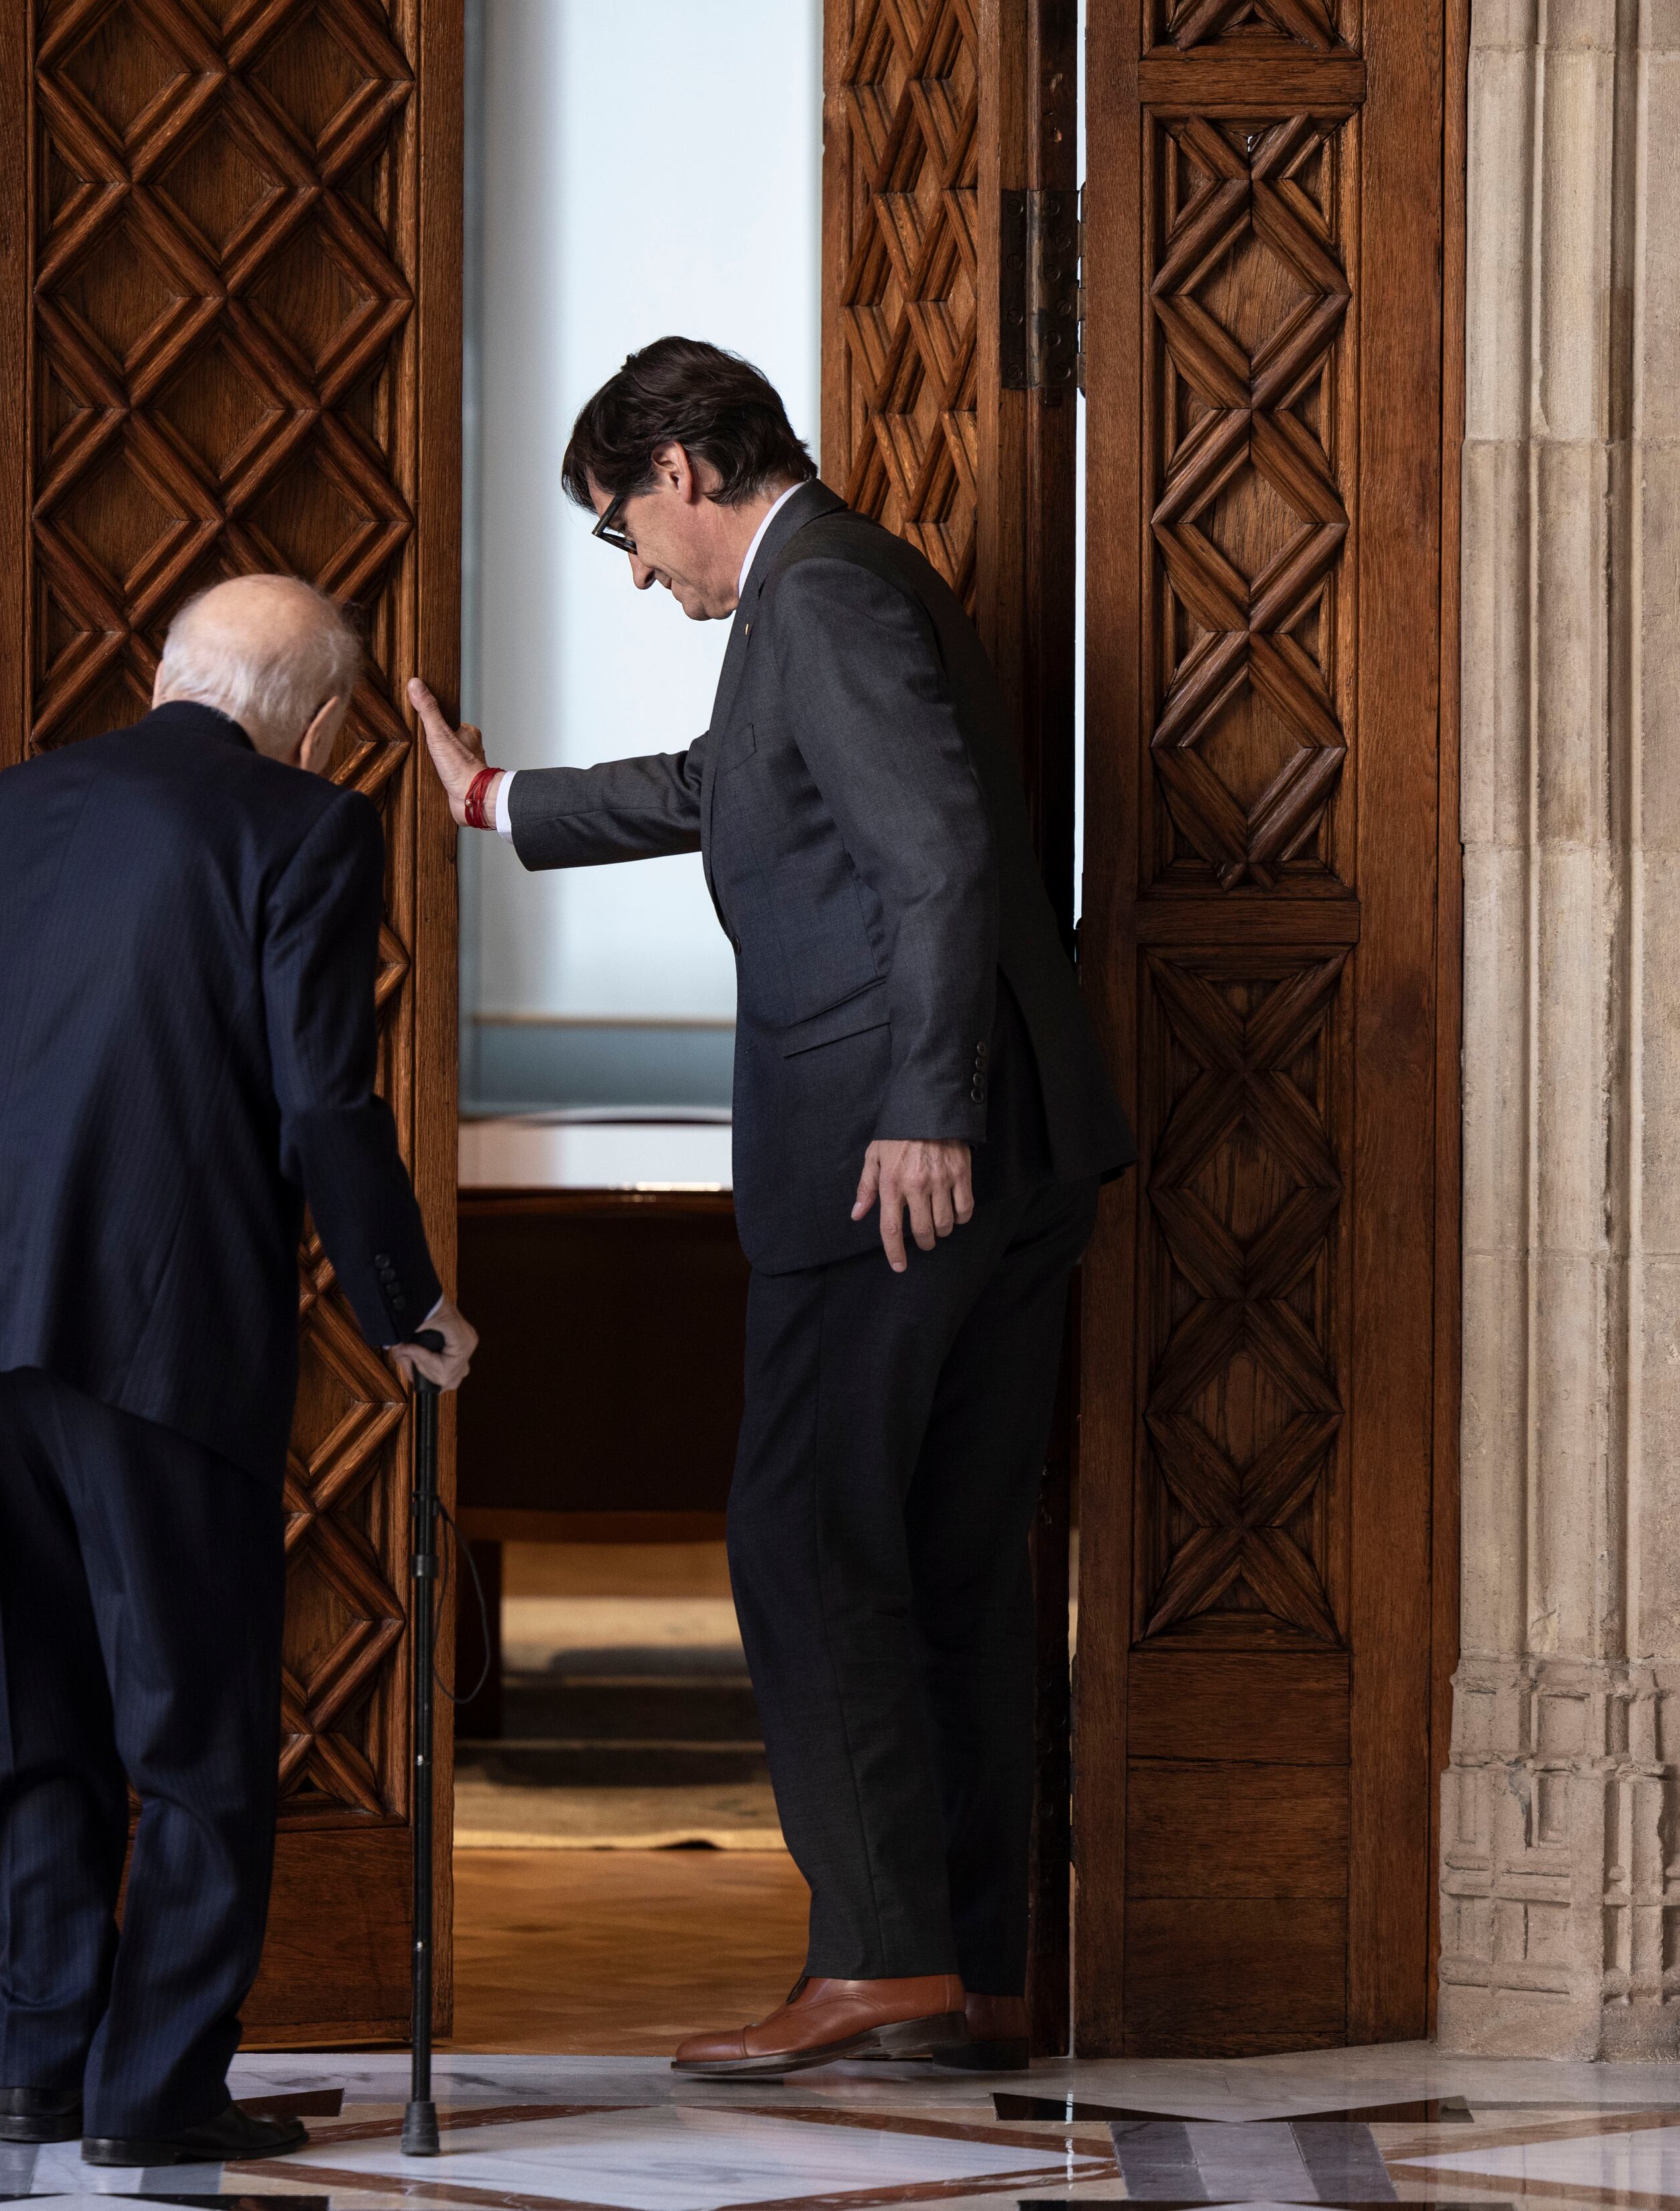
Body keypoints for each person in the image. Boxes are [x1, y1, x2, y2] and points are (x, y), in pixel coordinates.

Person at [409, 338, 1132, 2078]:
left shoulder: (816, 600)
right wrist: (499, 800)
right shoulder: (840, 587)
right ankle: (971, 1960)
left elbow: (942, 849)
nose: (641, 572)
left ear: (679, 465)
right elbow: (729, 793)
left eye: (624, 531)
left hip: (897, 1164)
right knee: (942, 1558)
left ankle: (881, 1957)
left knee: (805, 1544)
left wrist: (926, 1108)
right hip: (990, 1156)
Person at [0, 574, 475, 2167]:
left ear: (164, 673)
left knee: (32, 1716)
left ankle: (44, 2066)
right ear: (323, 722)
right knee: (188, 1734)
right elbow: (324, 1104)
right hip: (156, 1338)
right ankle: (154, 2091)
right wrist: (407, 1302)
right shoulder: (304, 826)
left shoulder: (4, 810)